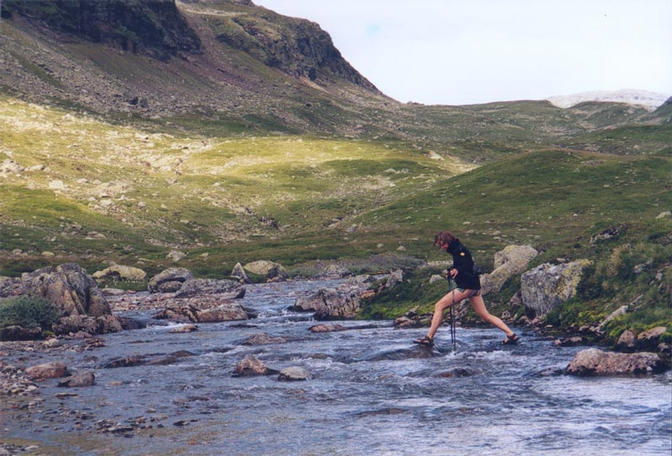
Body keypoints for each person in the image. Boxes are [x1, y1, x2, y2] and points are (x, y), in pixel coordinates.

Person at [414, 231, 519, 346]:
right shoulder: (457, 250)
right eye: (440, 245)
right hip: (474, 287)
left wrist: (457, 270)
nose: (441, 247)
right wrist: (453, 270)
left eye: (442, 244)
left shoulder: (460, 250)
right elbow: (463, 265)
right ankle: (511, 334)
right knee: (485, 315)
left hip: (466, 287)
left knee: (439, 306)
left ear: (447, 241)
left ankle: (429, 338)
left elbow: (467, 265)